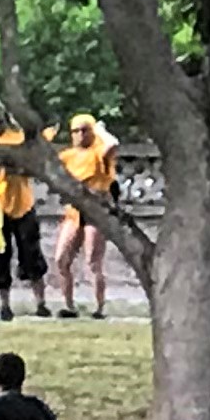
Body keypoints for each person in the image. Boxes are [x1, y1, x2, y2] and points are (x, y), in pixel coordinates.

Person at [52, 113, 119, 317]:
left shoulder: (99, 152)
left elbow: (113, 144)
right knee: (61, 258)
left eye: (85, 130)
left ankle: (99, 307)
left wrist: (100, 130)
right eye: (76, 131)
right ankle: (69, 306)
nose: (80, 134)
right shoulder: (66, 156)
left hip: (95, 211)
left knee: (92, 260)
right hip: (74, 211)